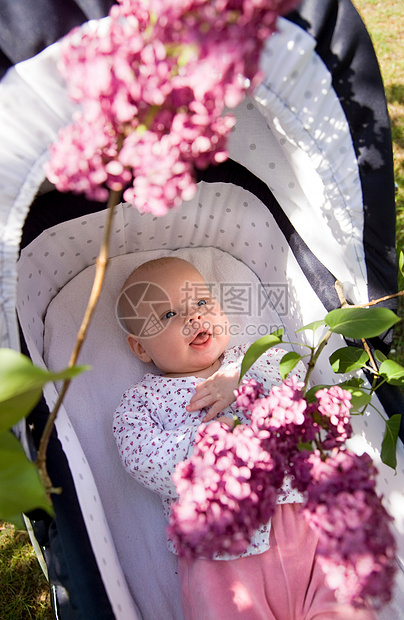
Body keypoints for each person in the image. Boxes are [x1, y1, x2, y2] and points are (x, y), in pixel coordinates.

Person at [113, 256, 376, 620]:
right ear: (141, 348)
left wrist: (241, 383)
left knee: (344, 605)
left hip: (305, 523)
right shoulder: (143, 400)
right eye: (169, 315)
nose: (194, 318)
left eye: (201, 302)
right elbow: (140, 456)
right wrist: (206, 446)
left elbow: (297, 382)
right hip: (221, 550)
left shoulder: (257, 357)